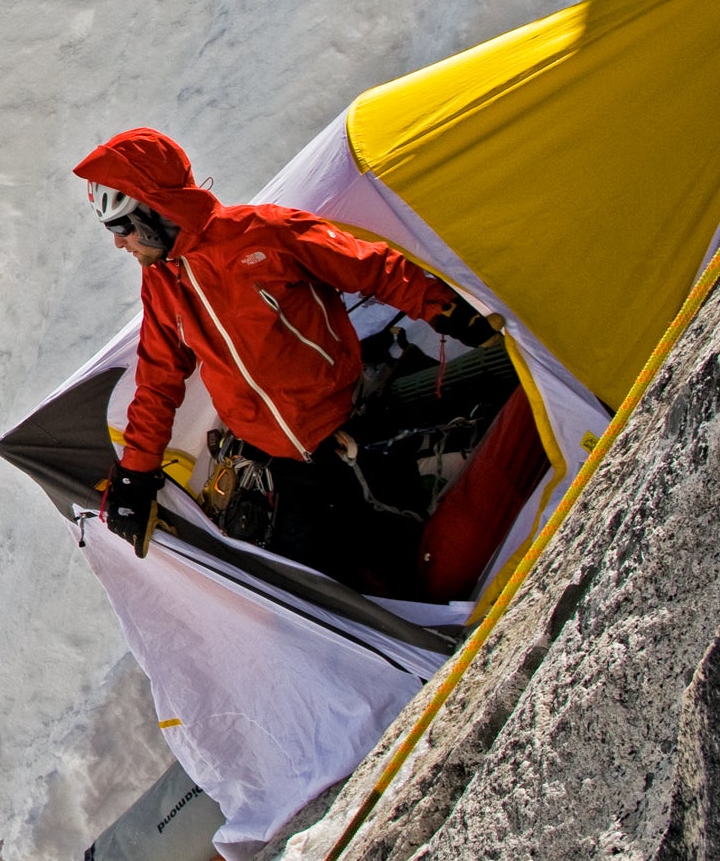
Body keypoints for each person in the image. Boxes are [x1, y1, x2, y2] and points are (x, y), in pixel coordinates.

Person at [75, 127, 496, 581]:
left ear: (157, 209)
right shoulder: (161, 285)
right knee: (339, 586)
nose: (119, 243)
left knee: (422, 558)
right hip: (279, 466)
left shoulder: (262, 233)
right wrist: (135, 478)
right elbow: (158, 381)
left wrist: (443, 308)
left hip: (350, 426)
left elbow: (368, 266)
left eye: (121, 227)